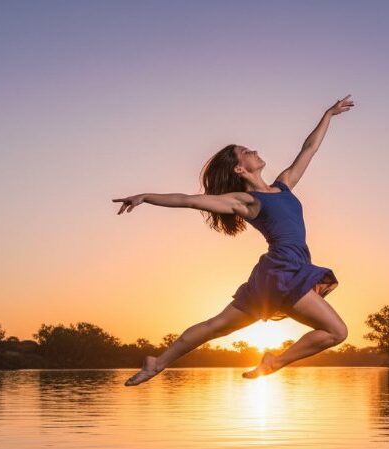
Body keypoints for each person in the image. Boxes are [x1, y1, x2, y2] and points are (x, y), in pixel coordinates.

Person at [113, 95, 355, 386]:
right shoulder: (246, 201)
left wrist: (328, 114)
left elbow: (309, 148)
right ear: (240, 169)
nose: (254, 150)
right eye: (246, 152)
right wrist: (146, 197)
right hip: (284, 273)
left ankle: (157, 363)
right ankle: (274, 361)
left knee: (217, 326)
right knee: (336, 332)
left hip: (276, 274)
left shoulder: (284, 184)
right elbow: (190, 200)